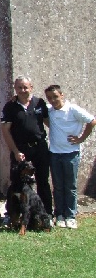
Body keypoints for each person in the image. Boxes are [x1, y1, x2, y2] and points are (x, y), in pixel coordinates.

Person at [44, 84, 96, 229]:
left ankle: (70, 216)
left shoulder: (73, 109)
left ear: (62, 95)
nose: (53, 100)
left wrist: (81, 138)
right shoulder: (49, 110)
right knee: (58, 186)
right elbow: (45, 119)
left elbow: (92, 121)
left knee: (70, 186)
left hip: (71, 154)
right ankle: (59, 214)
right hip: (54, 153)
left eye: (55, 96)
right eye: (49, 98)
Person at [0, 76, 52, 215]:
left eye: (25, 87)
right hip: (20, 149)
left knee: (43, 181)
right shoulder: (10, 106)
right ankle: (13, 214)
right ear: (15, 89)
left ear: (31, 87)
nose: (23, 90)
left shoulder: (40, 103)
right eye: (19, 88)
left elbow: (50, 123)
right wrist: (15, 151)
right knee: (17, 183)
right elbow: (5, 130)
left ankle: (46, 213)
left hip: (40, 147)